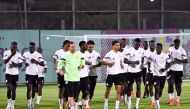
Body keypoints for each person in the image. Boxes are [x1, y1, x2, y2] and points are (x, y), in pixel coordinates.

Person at [57, 42, 85, 109]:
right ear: (68, 48)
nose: (74, 48)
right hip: (68, 79)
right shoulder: (65, 55)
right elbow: (60, 64)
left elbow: (82, 61)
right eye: (72, 47)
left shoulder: (79, 54)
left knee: (75, 96)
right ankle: (72, 107)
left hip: (77, 78)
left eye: (75, 47)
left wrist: (81, 65)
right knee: (71, 96)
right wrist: (61, 70)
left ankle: (70, 106)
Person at [149, 43, 171, 109]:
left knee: (160, 91)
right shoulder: (152, 55)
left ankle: (157, 99)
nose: (157, 49)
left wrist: (164, 69)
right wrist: (150, 69)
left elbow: (169, 64)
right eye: (156, 47)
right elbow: (149, 62)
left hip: (163, 76)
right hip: (155, 75)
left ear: (161, 48)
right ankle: (158, 106)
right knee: (157, 89)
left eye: (159, 48)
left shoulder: (165, 55)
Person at [102, 40, 124, 109]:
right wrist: (109, 63)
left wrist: (121, 64)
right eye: (117, 45)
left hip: (118, 74)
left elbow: (120, 60)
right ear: (113, 46)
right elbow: (103, 62)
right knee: (108, 90)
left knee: (119, 90)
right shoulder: (109, 54)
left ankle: (117, 106)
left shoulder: (120, 54)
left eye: (119, 45)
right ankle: (106, 103)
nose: (118, 46)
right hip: (110, 74)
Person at [23, 42, 44, 109]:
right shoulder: (25, 54)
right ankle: (29, 103)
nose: (31, 48)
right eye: (30, 47)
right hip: (28, 74)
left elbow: (42, 63)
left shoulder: (38, 54)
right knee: (29, 88)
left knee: (34, 89)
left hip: (35, 74)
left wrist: (36, 61)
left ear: (34, 47)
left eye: (32, 47)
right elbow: (22, 60)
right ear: (28, 47)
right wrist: (25, 63)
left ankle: (32, 102)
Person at [124, 38, 144, 109]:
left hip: (138, 72)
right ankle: (129, 103)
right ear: (133, 43)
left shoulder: (141, 50)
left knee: (138, 87)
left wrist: (142, 64)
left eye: (139, 44)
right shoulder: (129, 50)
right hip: (130, 72)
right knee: (129, 88)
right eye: (136, 44)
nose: (137, 45)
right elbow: (125, 61)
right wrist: (134, 62)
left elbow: (142, 58)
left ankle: (137, 104)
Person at [167, 39, 188, 106]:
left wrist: (179, 60)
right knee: (170, 84)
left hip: (179, 70)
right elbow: (167, 58)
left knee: (178, 87)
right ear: (174, 43)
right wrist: (169, 61)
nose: (176, 45)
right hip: (172, 70)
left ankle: (178, 100)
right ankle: (172, 98)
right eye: (175, 43)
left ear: (179, 43)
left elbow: (186, 61)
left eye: (178, 43)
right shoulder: (170, 49)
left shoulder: (182, 50)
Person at [3, 42, 23, 109]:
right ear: (10, 46)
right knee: (9, 88)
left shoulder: (19, 54)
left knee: (14, 90)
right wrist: (11, 55)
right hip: (8, 74)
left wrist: (14, 65)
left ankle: (12, 105)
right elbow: (5, 61)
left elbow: (20, 65)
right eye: (13, 47)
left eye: (15, 47)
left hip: (15, 74)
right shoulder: (6, 52)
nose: (14, 48)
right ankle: (8, 104)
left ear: (16, 47)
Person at [53, 40, 70, 109]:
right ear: (65, 44)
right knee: (61, 90)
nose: (69, 46)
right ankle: (61, 106)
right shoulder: (58, 52)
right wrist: (56, 66)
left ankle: (68, 104)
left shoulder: (70, 52)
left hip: (69, 74)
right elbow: (55, 60)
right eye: (68, 45)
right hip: (61, 74)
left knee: (69, 90)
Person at [77, 41, 91, 109]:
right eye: (85, 45)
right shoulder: (77, 54)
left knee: (87, 91)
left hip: (85, 76)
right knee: (76, 93)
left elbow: (90, 62)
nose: (87, 46)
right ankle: (73, 105)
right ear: (81, 46)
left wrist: (85, 62)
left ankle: (85, 105)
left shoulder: (88, 54)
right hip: (78, 76)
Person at [143, 40, 156, 106]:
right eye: (151, 44)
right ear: (149, 45)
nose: (152, 45)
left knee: (158, 88)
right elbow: (144, 61)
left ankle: (156, 98)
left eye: (153, 44)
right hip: (149, 72)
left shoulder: (158, 52)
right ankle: (153, 101)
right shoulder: (146, 53)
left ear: (155, 45)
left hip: (157, 73)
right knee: (150, 87)